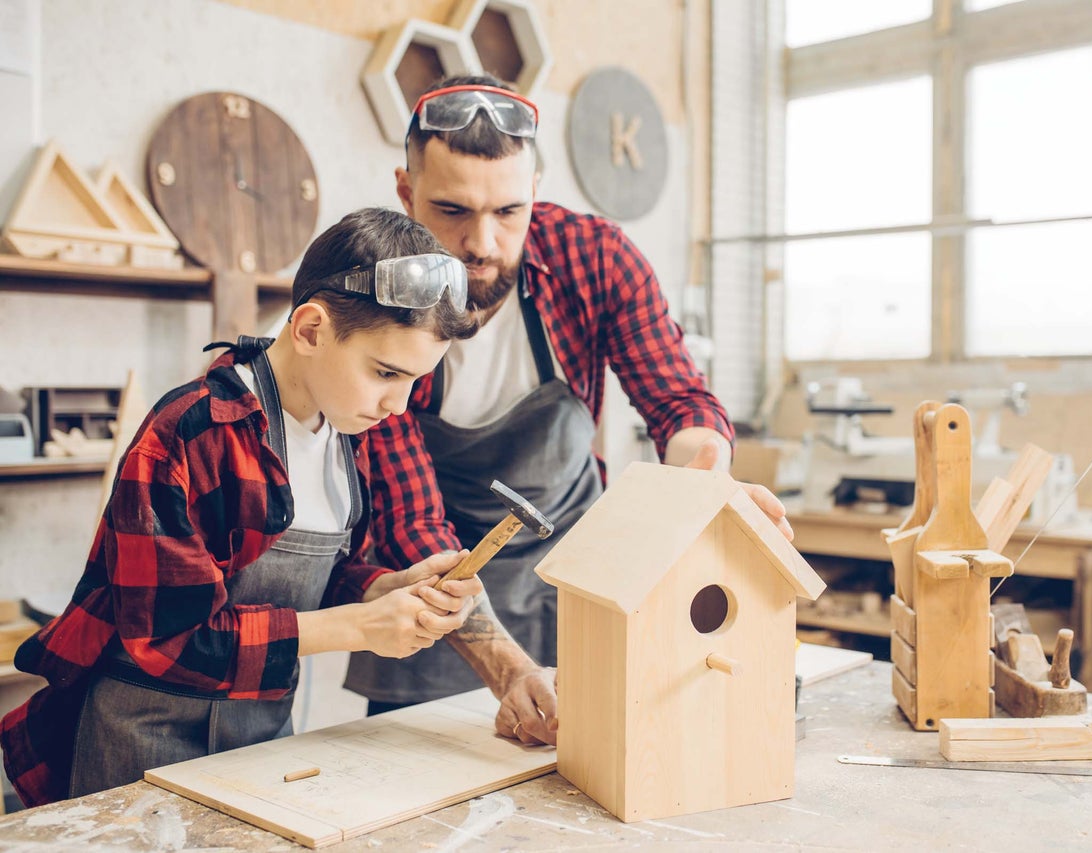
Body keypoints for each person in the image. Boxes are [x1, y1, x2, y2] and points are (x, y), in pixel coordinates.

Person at [344, 75, 793, 745]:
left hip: (578, 577)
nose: (483, 243)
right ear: (406, 193)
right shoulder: (375, 295)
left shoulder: (593, 257)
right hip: (436, 592)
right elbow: (411, 520)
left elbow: (677, 399)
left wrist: (703, 479)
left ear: (536, 193)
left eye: (508, 212)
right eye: (452, 211)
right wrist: (508, 671)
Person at [1, 207, 485, 807]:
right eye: (386, 372)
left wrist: (379, 590)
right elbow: (169, 639)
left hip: (260, 741)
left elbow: (314, 576)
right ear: (310, 330)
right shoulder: (189, 434)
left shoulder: (341, 435)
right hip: (142, 740)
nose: (398, 404)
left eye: (415, 379)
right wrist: (356, 628)